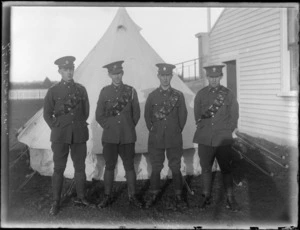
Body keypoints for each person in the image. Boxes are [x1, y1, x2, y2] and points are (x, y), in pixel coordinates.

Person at [43, 56, 90, 216]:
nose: (69, 72)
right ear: (59, 71)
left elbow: (85, 112)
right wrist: (56, 127)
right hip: (60, 135)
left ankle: (81, 196)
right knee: (58, 168)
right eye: (65, 70)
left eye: (71, 69)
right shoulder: (53, 91)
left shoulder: (81, 90)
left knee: (80, 167)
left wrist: (76, 124)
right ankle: (56, 201)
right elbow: (47, 114)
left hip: (78, 133)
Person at [95, 60, 142, 208]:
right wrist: (109, 126)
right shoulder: (104, 92)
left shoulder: (131, 91)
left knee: (129, 166)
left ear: (122, 73)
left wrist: (128, 127)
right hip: (110, 137)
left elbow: (136, 114)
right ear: (109, 75)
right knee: (109, 166)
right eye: (113, 74)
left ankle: (133, 196)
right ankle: (107, 196)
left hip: (127, 136)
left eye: (119, 73)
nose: (116, 76)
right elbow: (99, 115)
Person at [193, 65, 239, 211]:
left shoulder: (228, 94)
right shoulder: (200, 94)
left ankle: (230, 198)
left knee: (226, 168)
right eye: (211, 77)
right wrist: (204, 130)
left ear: (220, 77)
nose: (213, 79)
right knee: (206, 168)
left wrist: (227, 131)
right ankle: (206, 196)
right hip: (205, 138)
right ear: (207, 77)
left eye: (216, 77)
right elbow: (197, 115)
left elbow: (234, 115)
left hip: (222, 139)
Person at [144, 63, 188, 210]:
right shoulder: (152, 96)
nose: (165, 78)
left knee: (175, 167)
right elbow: (147, 117)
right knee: (156, 167)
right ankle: (154, 194)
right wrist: (154, 130)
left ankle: (179, 196)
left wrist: (176, 130)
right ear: (158, 76)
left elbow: (183, 117)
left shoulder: (178, 96)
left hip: (173, 137)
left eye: (167, 75)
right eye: (162, 75)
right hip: (156, 137)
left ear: (171, 76)